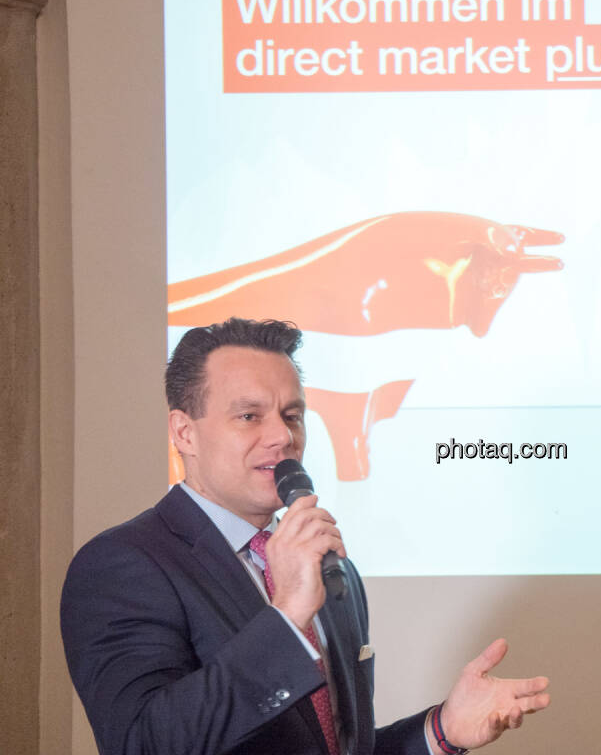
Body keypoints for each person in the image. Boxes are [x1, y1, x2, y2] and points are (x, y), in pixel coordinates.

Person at [60, 318, 550, 755]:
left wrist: (440, 731)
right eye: (250, 416)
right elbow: (143, 743)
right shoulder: (122, 564)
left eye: (292, 416)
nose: (283, 436)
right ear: (184, 433)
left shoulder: (331, 570)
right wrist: (288, 615)